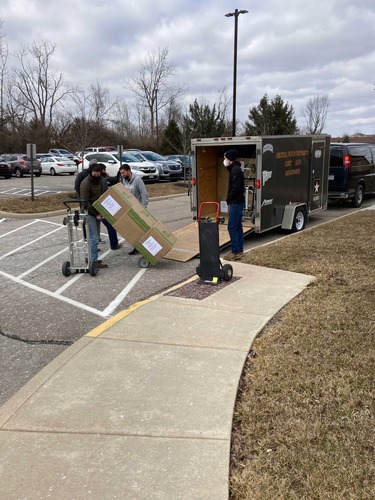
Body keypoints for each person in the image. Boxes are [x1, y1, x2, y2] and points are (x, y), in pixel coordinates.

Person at [79, 164, 108, 269]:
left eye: (98, 172)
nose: (96, 174)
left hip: (97, 212)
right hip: (89, 213)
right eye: (94, 172)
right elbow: (85, 202)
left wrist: (102, 211)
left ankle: (90, 258)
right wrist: (96, 214)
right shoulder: (86, 183)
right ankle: (93, 261)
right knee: (94, 238)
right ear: (91, 172)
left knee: (95, 238)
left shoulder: (99, 181)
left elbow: (100, 197)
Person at [119, 164, 148, 255]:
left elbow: (144, 193)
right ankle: (137, 248)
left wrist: (144, 208)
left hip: (139, 209)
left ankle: (144, 248)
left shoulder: (137, 180)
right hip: (130, 209)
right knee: (134, 230)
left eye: (123, 172)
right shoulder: (125, 180)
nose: (122, 174)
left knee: (141, 230)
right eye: (121, 173)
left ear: (128, 171)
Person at [223, 149, 245, 261]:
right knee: (238, 226)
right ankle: (240, 250)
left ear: (230, 159)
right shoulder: (234, 169)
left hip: (236, 202)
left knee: (231, 227)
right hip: (238, 202)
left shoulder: (235, 170)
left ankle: (235, 251)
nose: (224, 160)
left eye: (225, 158)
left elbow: (236, 187)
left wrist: (228, 198)